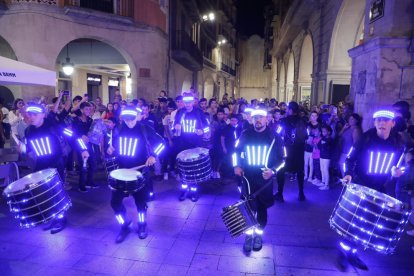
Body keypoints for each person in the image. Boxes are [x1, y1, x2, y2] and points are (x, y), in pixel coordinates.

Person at [339, 109, 405, 270]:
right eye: (378, 120)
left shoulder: (398, 142)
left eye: (385, 120)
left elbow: (399, 164)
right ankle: (345, 253)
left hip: (381, 189)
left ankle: (353, 252)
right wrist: (348, 174)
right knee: (352, 221)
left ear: (392, 123)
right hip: (362, 186)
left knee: (368, 223)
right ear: (375, 123)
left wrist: (397, 171)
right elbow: (349, 159)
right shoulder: (366, 138)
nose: (382, 123)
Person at [23, 103, 89, 234]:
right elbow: (28, 149)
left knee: (56, 192)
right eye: (29, 114)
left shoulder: (54, 126)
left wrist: (83, 149)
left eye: (34, 114)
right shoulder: (28, 131)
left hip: (56, 162)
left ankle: (61, 219)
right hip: (41, 163)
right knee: (43, 193)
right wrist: (22, 149)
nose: (31, 117)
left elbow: (74, 136)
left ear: (42, 115)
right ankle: (52, 217)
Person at [106, 107, 164, 243]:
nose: (129, 122)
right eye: (126, 119)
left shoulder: (145, 128)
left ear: (137, 117)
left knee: (141, 203)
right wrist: (111, 149)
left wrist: (154, 156)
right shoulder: (118, 129)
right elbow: (113, 145)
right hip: (122, 171)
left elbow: (161, 143)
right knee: (115, 203)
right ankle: (124, 225)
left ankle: (142, 225)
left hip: (140, 172)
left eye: (131, 119)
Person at [233, 109, 285, 252]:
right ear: (251, 119)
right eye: (256, 117)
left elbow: (282, 159)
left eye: (261, 117)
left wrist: (273, 171)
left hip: (265, 179)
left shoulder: (275, 137)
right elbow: (236, 151)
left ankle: (259, 235)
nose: (258, 120)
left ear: (267, 119)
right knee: (247, 208)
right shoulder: (245, 134)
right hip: (248, 177)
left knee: (262, 208)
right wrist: (236, 165)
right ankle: (249, 235)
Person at [173, 93, 210, 201]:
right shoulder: (180, 112)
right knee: (182, 169)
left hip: (195, 145)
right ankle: (184, 190)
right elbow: (173, 127)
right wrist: (175, 127)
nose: (188, 104)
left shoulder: (199, 113)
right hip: (182, 145)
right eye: (186, 102)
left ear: (194, 102)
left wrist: (202, 131)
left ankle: (194, 191)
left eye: (190, 102)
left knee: (193, 168)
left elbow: (208, 127)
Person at [275, 101, 308, 202]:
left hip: (286, 150)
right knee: (300, 172)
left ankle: (280, 194)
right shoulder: (303, 121)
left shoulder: (283, 121)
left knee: (281, 170)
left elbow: (277, 134)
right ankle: (301, 193)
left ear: (290, 110)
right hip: (299, 150)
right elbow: (306, 135)